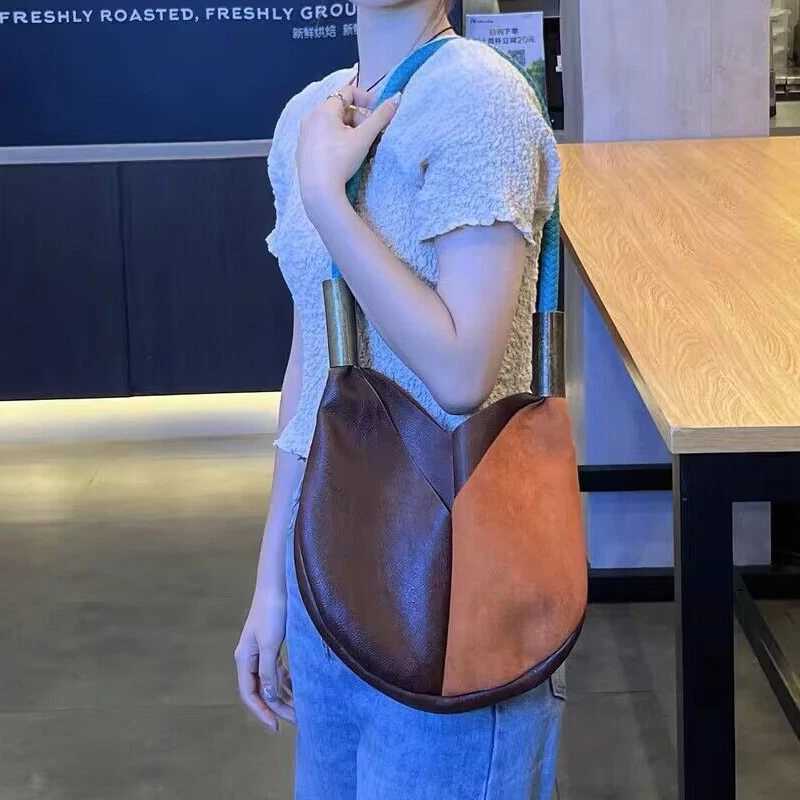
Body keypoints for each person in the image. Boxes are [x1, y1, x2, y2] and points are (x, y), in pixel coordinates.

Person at [234, 1, 565, 797]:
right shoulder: (306, 118)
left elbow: (461, 370)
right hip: (327, 570)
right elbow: (310, 366)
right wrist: (272, 579)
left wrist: (329, 200)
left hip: (455, 588)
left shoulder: (479, 98)